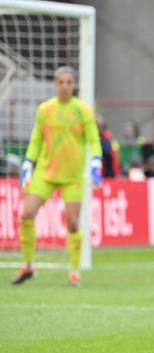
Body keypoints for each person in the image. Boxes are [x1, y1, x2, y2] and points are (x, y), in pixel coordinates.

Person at [12, 66, 103, 286]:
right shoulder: (45, 109)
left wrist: (96, 163)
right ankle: (28, 265)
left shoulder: (82, 110)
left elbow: (93, 139)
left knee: (72, 223)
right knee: (26, 214)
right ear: (55, 84)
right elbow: (36, 139)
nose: (64, 86)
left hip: (72, 176)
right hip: (45, 173)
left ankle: (74, 271)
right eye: (60, 82)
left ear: (74, 85)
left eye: (68, 82)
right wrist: (27, 163)